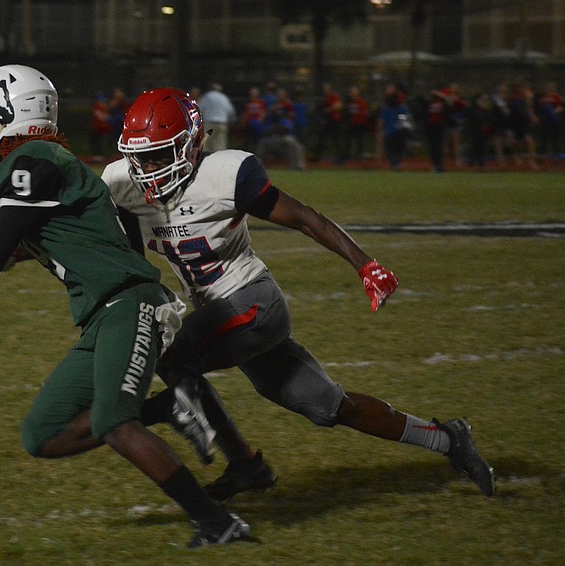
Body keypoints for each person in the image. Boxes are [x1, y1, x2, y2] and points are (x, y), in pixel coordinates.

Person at [100, 87, 495, 502]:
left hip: (253, 302)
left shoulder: (225, 175)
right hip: (219, 317)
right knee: (329, 407)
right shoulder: (122, 185)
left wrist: (366, 265)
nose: (147, 169)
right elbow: (133, 258)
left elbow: (304, 218)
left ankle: (187, 440)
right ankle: (448, 438)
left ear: (192, 143)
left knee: (175, 356)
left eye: (160, 155)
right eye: (140, 157)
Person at [0, 65, 251, 548]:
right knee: (42, 433)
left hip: (127, 304)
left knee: (114, 423)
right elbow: (93, 234)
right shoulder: (45, 160)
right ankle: (170, 406)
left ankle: (216, 522)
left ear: (4, 111)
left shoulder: (31, 160)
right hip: (104, 312)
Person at [376, 84, 413, 171]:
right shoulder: (403, 109)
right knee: (398, 153)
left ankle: (396, 166)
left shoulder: (385, 110)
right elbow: (405, 124)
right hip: (400, 134)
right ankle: (397, 166)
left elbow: (380, 124)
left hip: (390, 135)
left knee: (392, 153)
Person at [198, 82, 237, 152]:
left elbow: (199, 109)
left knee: (206, 145)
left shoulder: (206, 96)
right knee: (220, 145)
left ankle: (206, 158)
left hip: (209, 123)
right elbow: (231, 111)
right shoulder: (224, 98)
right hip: (222, 124)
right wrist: (232, 121)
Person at [314, 82, 344, 164]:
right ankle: (318, 156)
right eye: (324, 89)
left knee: (336, 139)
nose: (325, 91)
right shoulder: (324, 99)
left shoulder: (334, 96)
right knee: (322, 138)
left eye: (326, 89)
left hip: (334, 121)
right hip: (327, 122)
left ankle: (341, 157)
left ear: (330, 89)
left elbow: (339, 106)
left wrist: (329, 109)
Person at [343, 86, 369, 161]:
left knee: (359, 140)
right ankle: (347, 154)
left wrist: (359, 115)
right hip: (351, 123)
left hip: (359, 123)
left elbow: (365, 112)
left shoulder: (361, 101)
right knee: (348, 139)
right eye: (351, 92)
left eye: (353, 92)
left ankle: (359, 155)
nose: (351, 94)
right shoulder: (349, 102)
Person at [89, 92, 111, 163]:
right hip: (97, 129)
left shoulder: (104, 108)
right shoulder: (97, 107)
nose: (103, 102)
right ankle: (96, 157)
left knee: (102, 143)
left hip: (103, 129)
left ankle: (101, 157)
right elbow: (102, 118)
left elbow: (106, 117)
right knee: (97, 143)